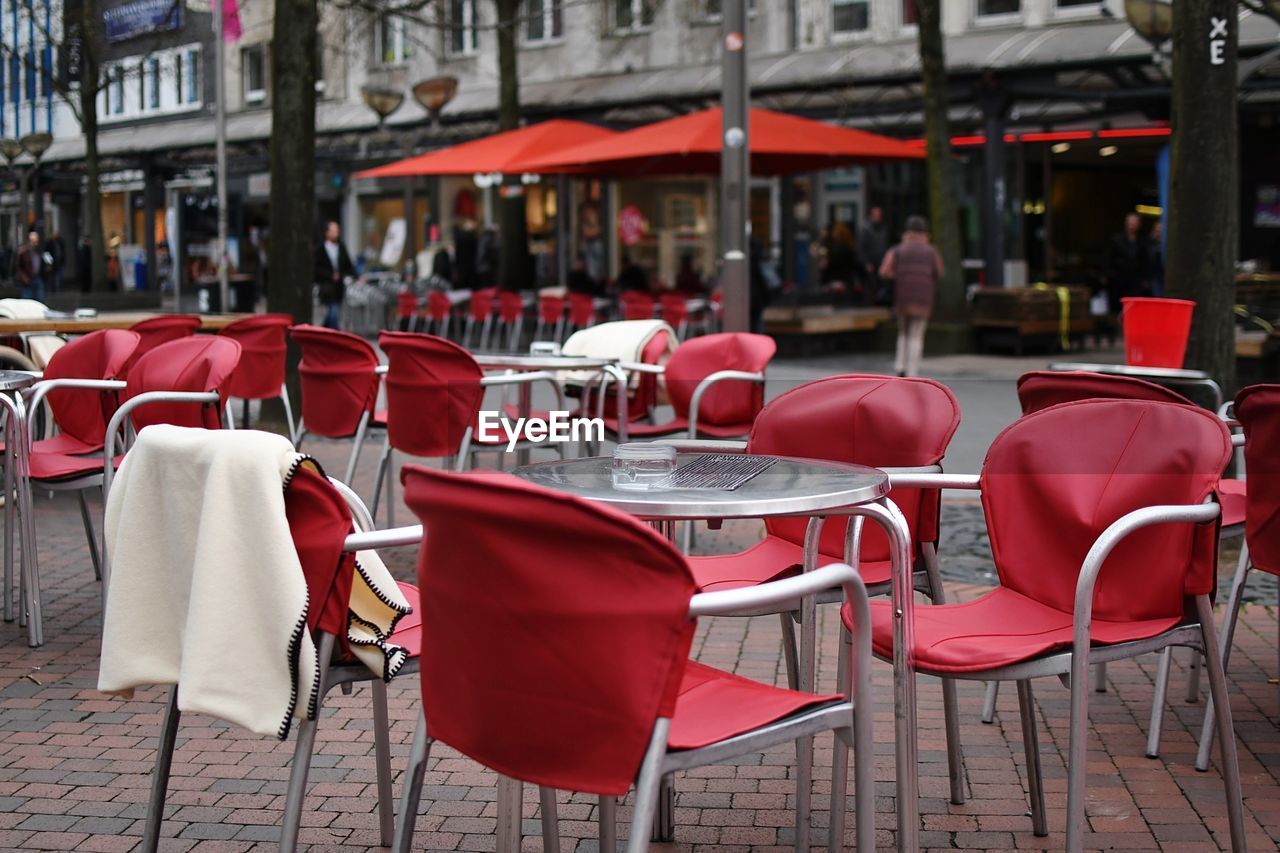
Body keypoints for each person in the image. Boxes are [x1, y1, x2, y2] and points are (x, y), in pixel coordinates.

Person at [879, 215, 941, 378]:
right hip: (923, 298)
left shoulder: (898, 249)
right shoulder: (931, 251)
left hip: (903, 296)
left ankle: (900, 365)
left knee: (903, 332)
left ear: (907, 231)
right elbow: (938, 272)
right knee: (917, 334)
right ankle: (913, 371)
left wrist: (899, 274)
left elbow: (884, 271)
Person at [1104, 212, 1150, 311]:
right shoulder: (1117, 239)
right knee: (1117, 305)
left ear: (1139, 224)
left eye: (1134, 222)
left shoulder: (1143, 241)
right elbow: (1109, 258)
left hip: (1135, 280)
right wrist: (1108, 274)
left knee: (1134, 305)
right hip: (1119, 278)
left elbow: (1145, 261)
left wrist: (1145, 279)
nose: (1132, 224)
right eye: (1130, 222)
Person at [314, 220, 355, 329]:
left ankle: (324, 330)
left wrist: (356, 276)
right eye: (333, 231)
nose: (336, 233)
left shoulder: (341, 247)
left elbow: (348, 264)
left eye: (337, 230)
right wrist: (330, 275)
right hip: (326, 286)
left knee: (333, 312)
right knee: (333, 312)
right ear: (327, 233)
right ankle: (336, 333)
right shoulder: (320, 249)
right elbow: (316, 268)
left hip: (338, 287)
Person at [858, 206, 889, 304]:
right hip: (870, 263)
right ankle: (869, 305)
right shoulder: (865, 229)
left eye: (879, 216)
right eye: (875, 216)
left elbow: (886, 246)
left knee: (881, 285)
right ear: (871, 216)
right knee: (870, 285)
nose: (877, 218)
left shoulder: (884, 229)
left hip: (881, 262)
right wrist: (866, 263)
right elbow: (861, 248)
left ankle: (880, 303)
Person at [16, 230, 44, 301]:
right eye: (34, 240)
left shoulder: (39, 250)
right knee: (27, 299)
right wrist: (24, 277)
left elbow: (44, 261)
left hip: (37, 276)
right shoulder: (24, 251)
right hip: (27, 278)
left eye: (37, 240)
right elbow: (18, 266)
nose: (36, 242)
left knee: (39, 298)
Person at [1148, 220, 1164, 297]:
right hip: (1153, 275)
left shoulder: (1165, 244)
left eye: (1160, 231)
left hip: (1163, 275)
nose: (1158, 233)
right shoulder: (1150, 243)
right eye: (1157, 230)